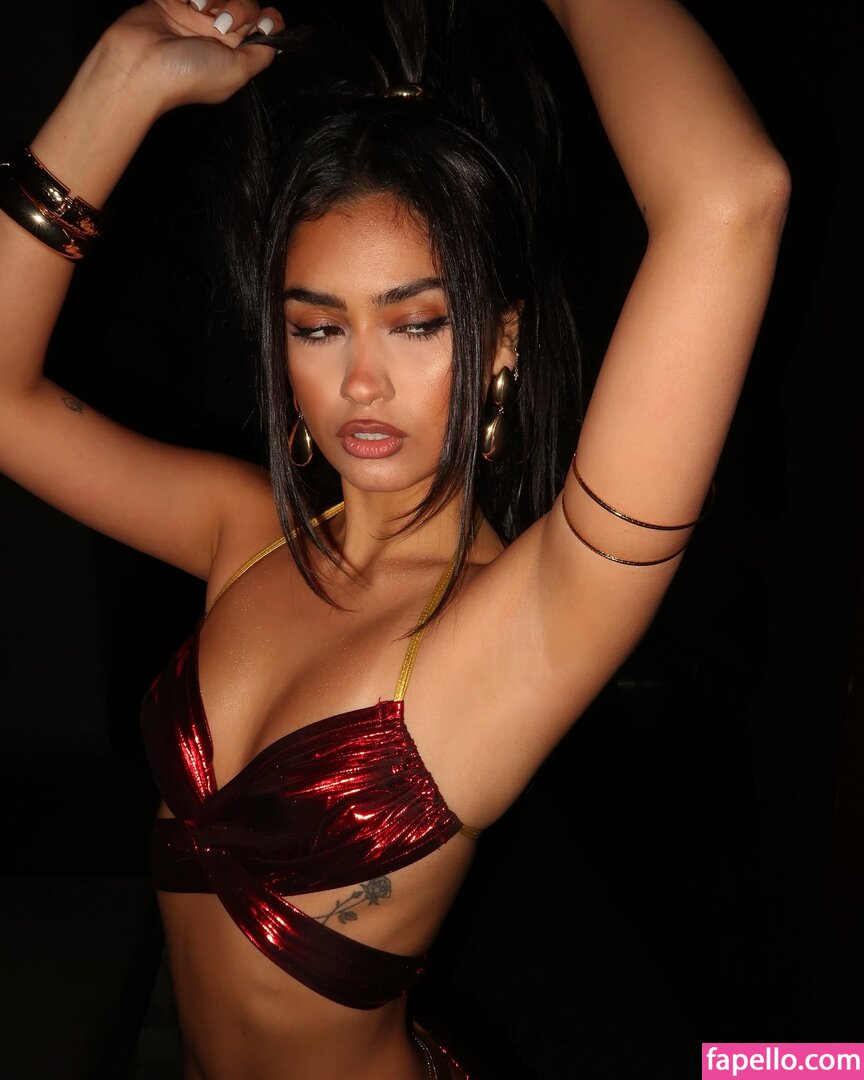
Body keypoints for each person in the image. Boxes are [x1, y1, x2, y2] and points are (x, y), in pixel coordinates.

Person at [0, 0, 789, 1077]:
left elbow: (731, 197)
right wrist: (120, 79)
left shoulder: (521, 628)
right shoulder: (246, 534)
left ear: (501, 343)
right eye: (318, 326)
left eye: (417, 323)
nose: (362, 381)